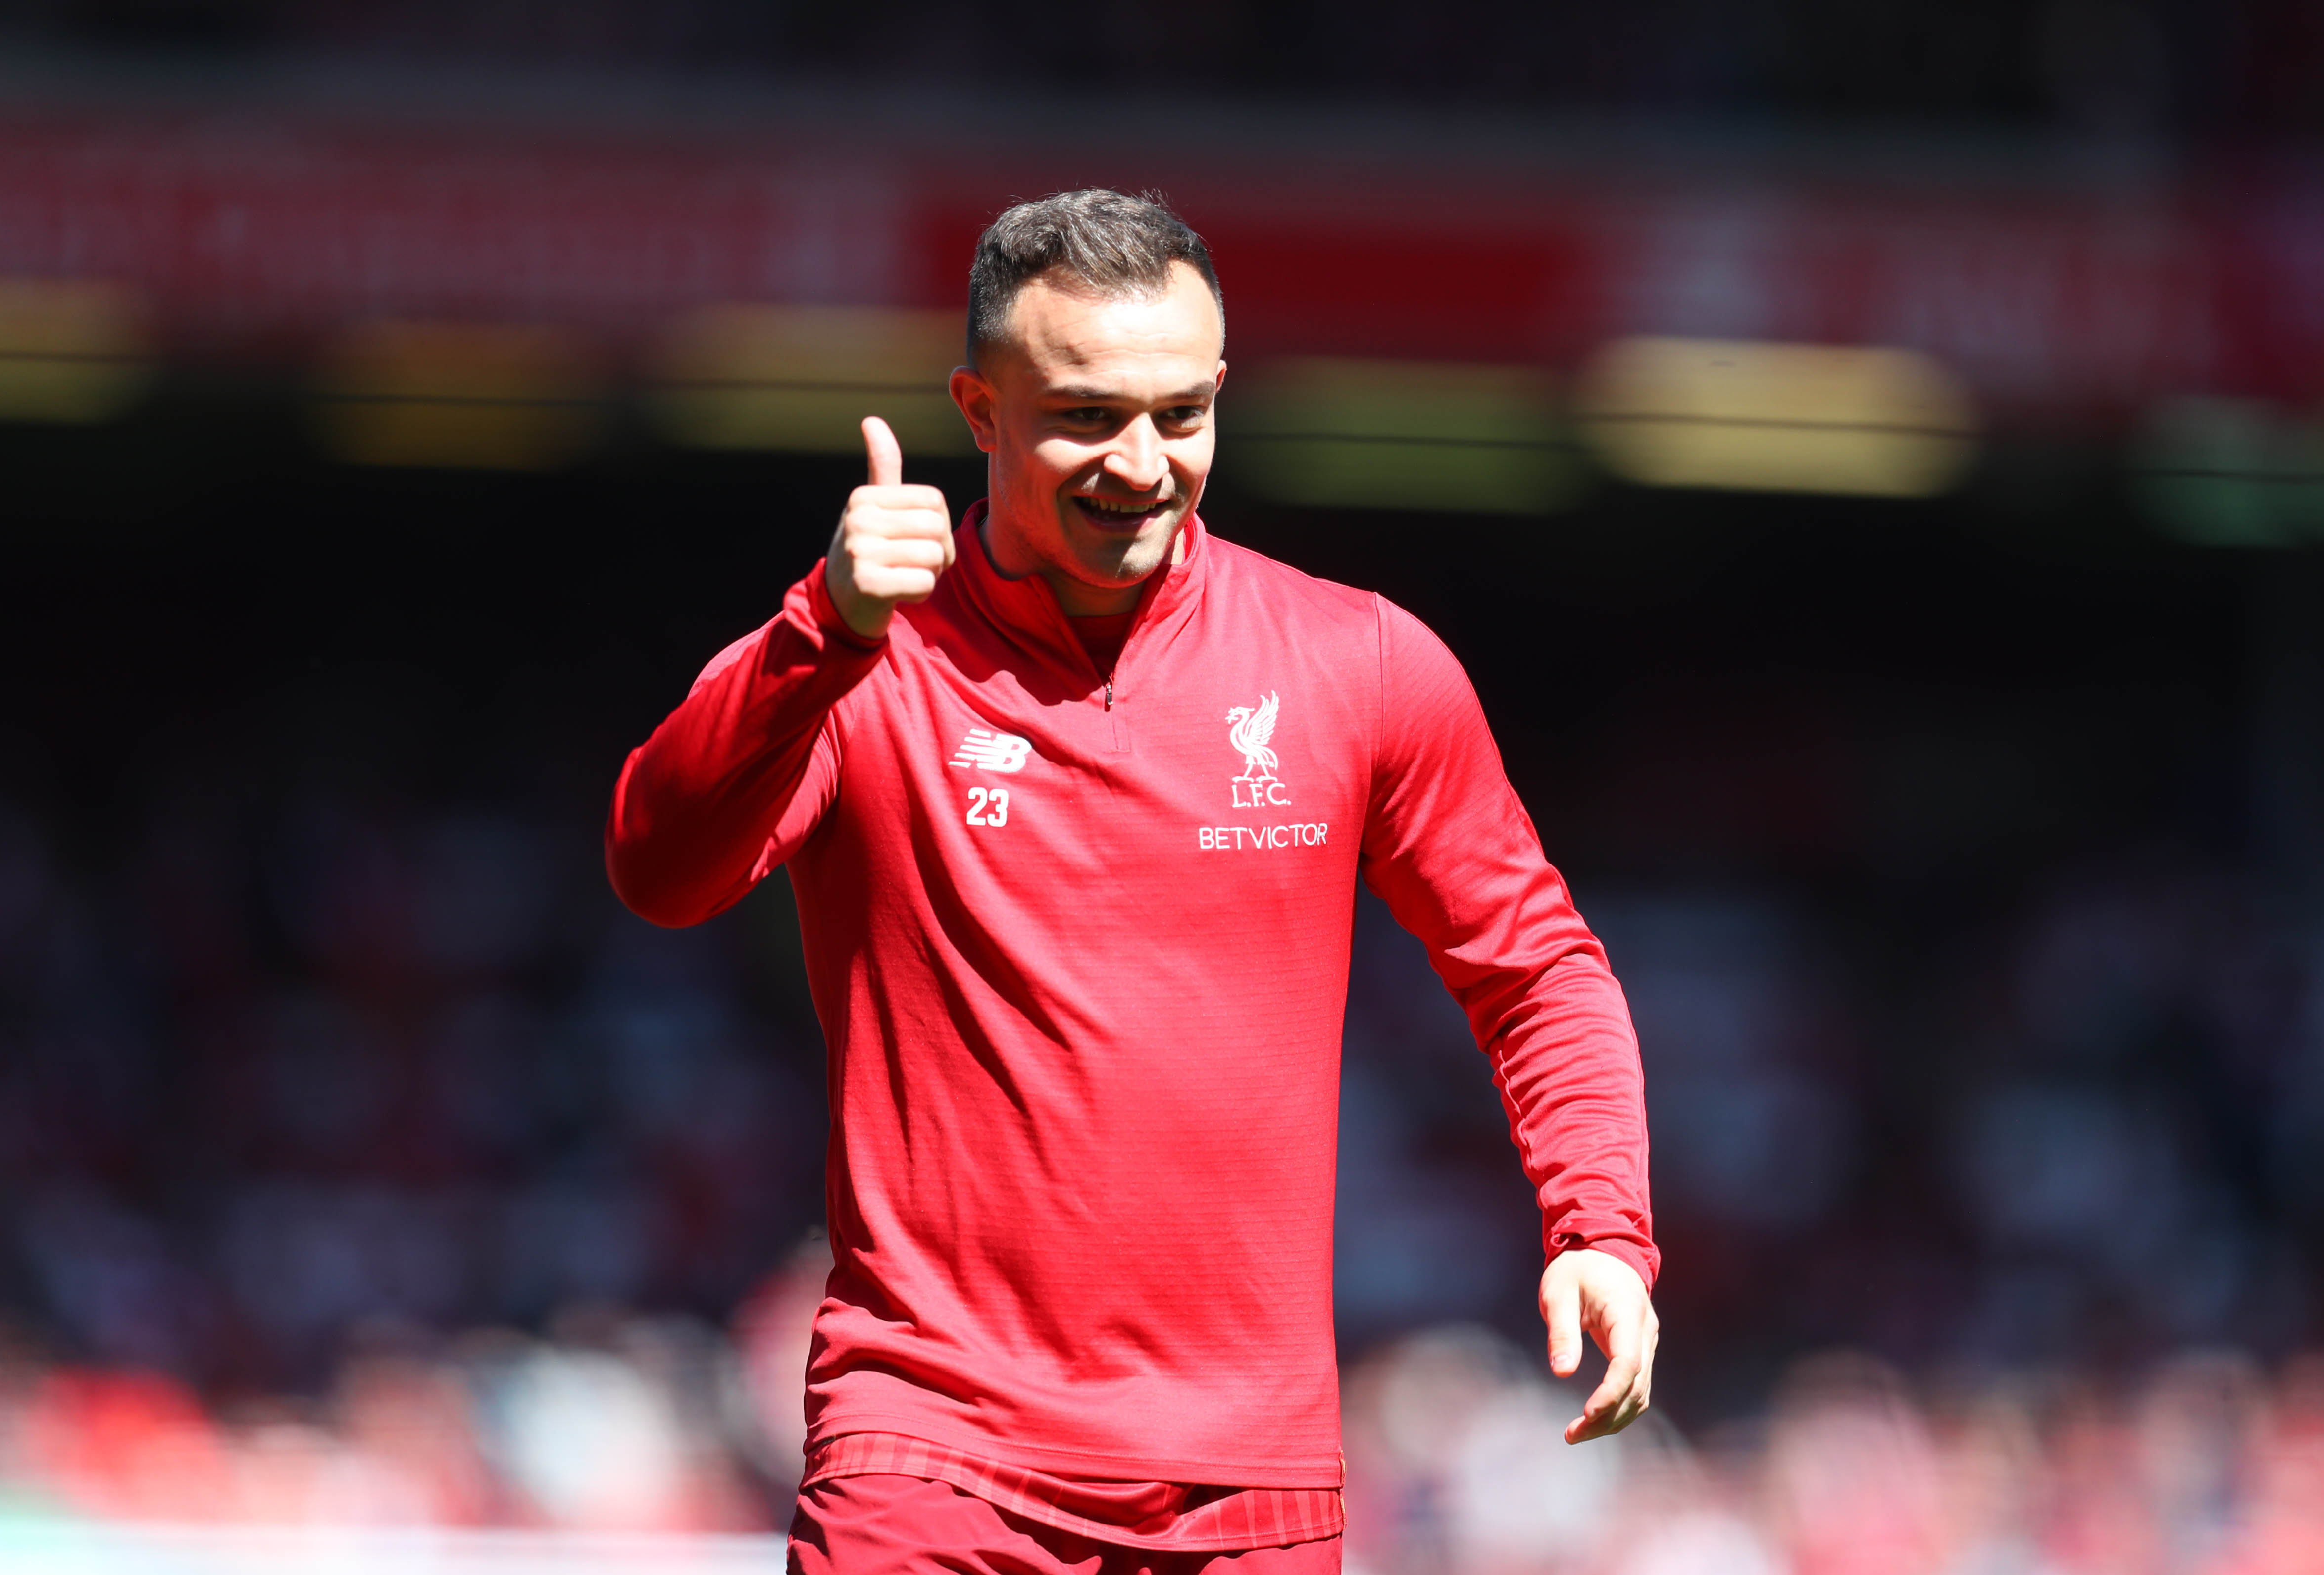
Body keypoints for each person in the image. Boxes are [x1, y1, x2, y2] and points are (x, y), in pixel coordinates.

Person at [606, 190, 1657, 1575]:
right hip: (930, 1457)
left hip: (1252, 1488)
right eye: (1086, 416)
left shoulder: (1358, 664)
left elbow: (1532, 967)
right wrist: (821, 631)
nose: (1141, 461)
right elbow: (659, 868)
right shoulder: (860, 661)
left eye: (1180, 413)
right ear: (977, 411)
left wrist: (1599, 1226)